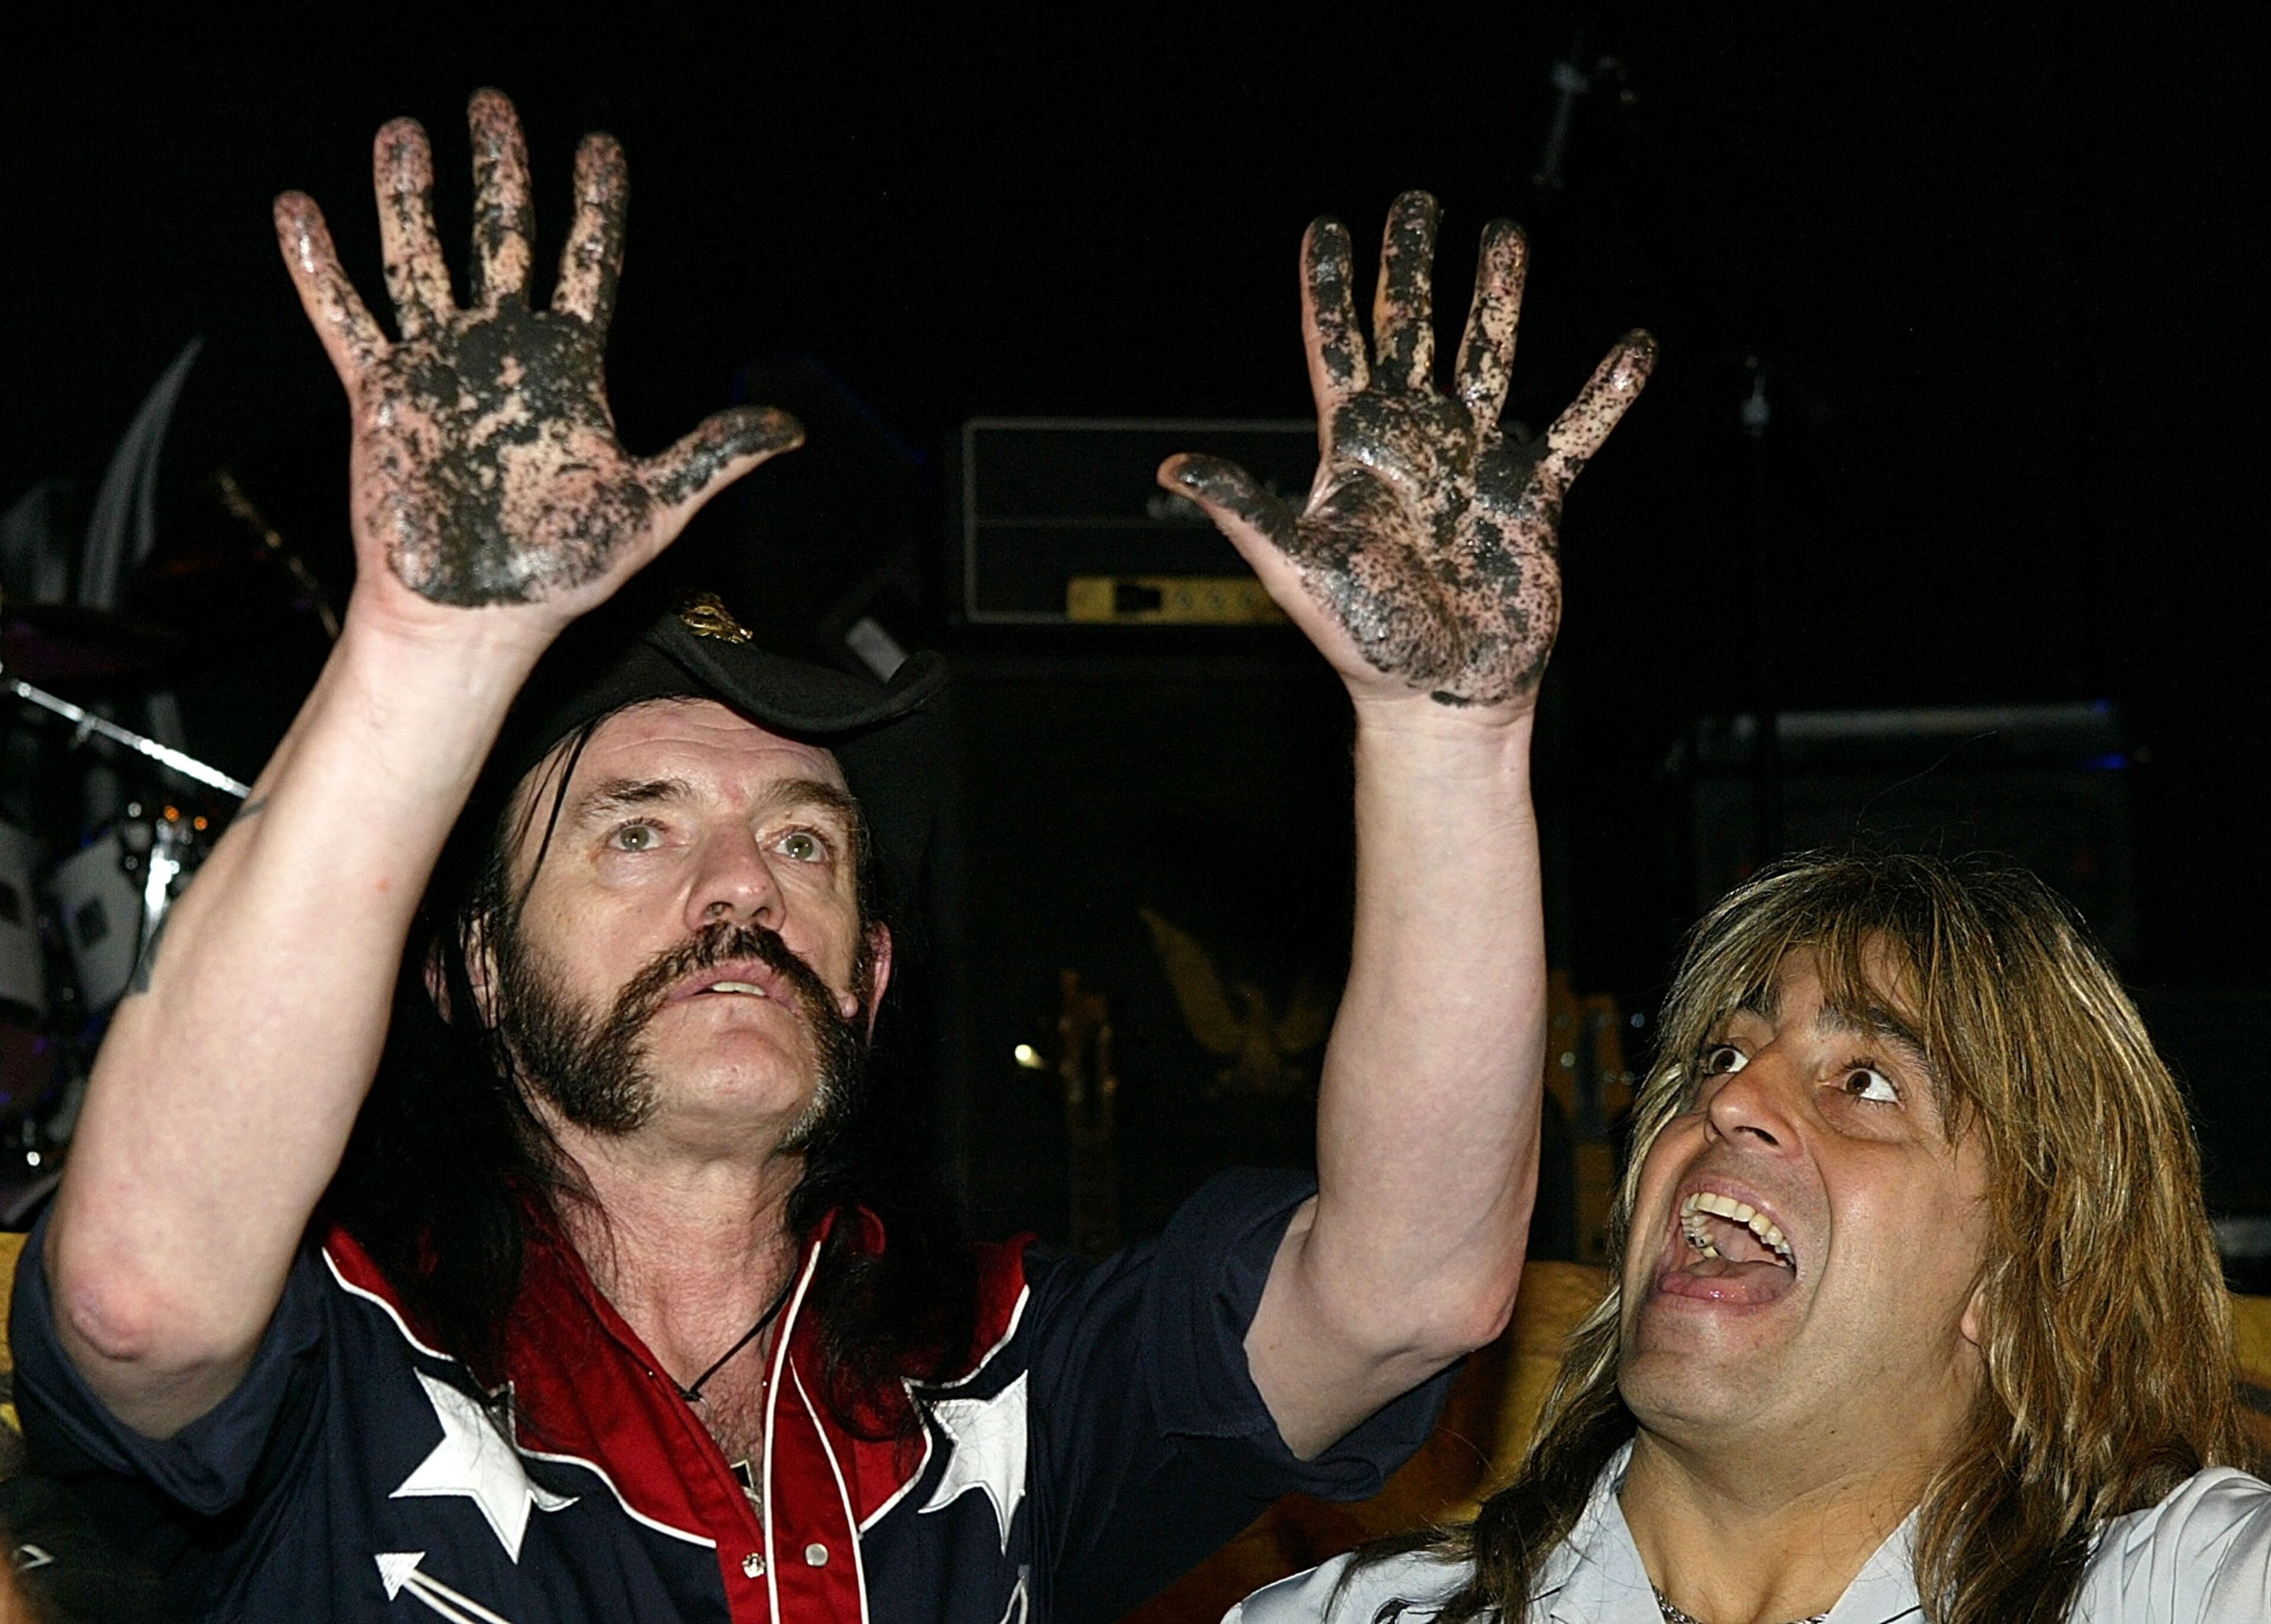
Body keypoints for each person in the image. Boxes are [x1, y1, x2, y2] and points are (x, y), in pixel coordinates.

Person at [7, 90, 1655, 1622]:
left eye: (806, 840)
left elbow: (1412, 1296)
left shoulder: (1013, 1382)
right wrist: (424, 649)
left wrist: (1452, 738)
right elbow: (143, 1295)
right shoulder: (352, 1363)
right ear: (476, 968)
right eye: (635, 826)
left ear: (871, 977)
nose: (740, 889)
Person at [1232, 851, 2271, 1624]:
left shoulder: (2177, 1588)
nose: (1733, 1100)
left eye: (1866, 1082)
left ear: (2022, 1273)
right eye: (1721, 1055)